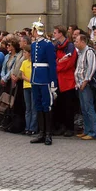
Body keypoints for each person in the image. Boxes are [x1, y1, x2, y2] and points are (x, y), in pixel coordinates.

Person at [30, 17, 58, 146]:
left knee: (47, 106)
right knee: (38, 105)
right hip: (36, 78)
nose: (32, 32)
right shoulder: (34, 44)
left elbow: (52, 64)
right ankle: (41, 132)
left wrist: (53, 83)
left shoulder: (47, 44)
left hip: (45, 78)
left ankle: (48, 134)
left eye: (33, 30)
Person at [53, 25, 78, 137]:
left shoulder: (70, 46)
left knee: (68, 106)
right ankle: (61, 126)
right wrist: (59, 61)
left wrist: (57, 64)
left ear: (60, 33)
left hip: (68, 80)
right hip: (58, 79)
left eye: (55, 32)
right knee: (59, 105)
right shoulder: (56, 46)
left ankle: (70, 128)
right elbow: (54, 60)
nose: (54, 34)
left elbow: (69, 62)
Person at [74, 34, 96, 140]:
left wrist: (85, 81)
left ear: (83, 42)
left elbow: (91, 68)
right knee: (83, 108)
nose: (75, 43)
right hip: (79, 84)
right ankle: (87, 130)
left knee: (89, 108)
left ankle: (93, 132)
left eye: (77, 41)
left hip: (86, 84)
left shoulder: (89, 52)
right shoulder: (80, 53)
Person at [20, 44, 37, 135]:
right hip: (26, 86)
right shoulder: (24, 62)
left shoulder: (33, 63)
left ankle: (33, 127)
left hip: (33, 86)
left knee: (33, 108)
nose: (24, 54)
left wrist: (32, 81)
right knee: (28, 108)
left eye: (25, 52)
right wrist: (29, 80)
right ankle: (27, 127)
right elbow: (22, 75)